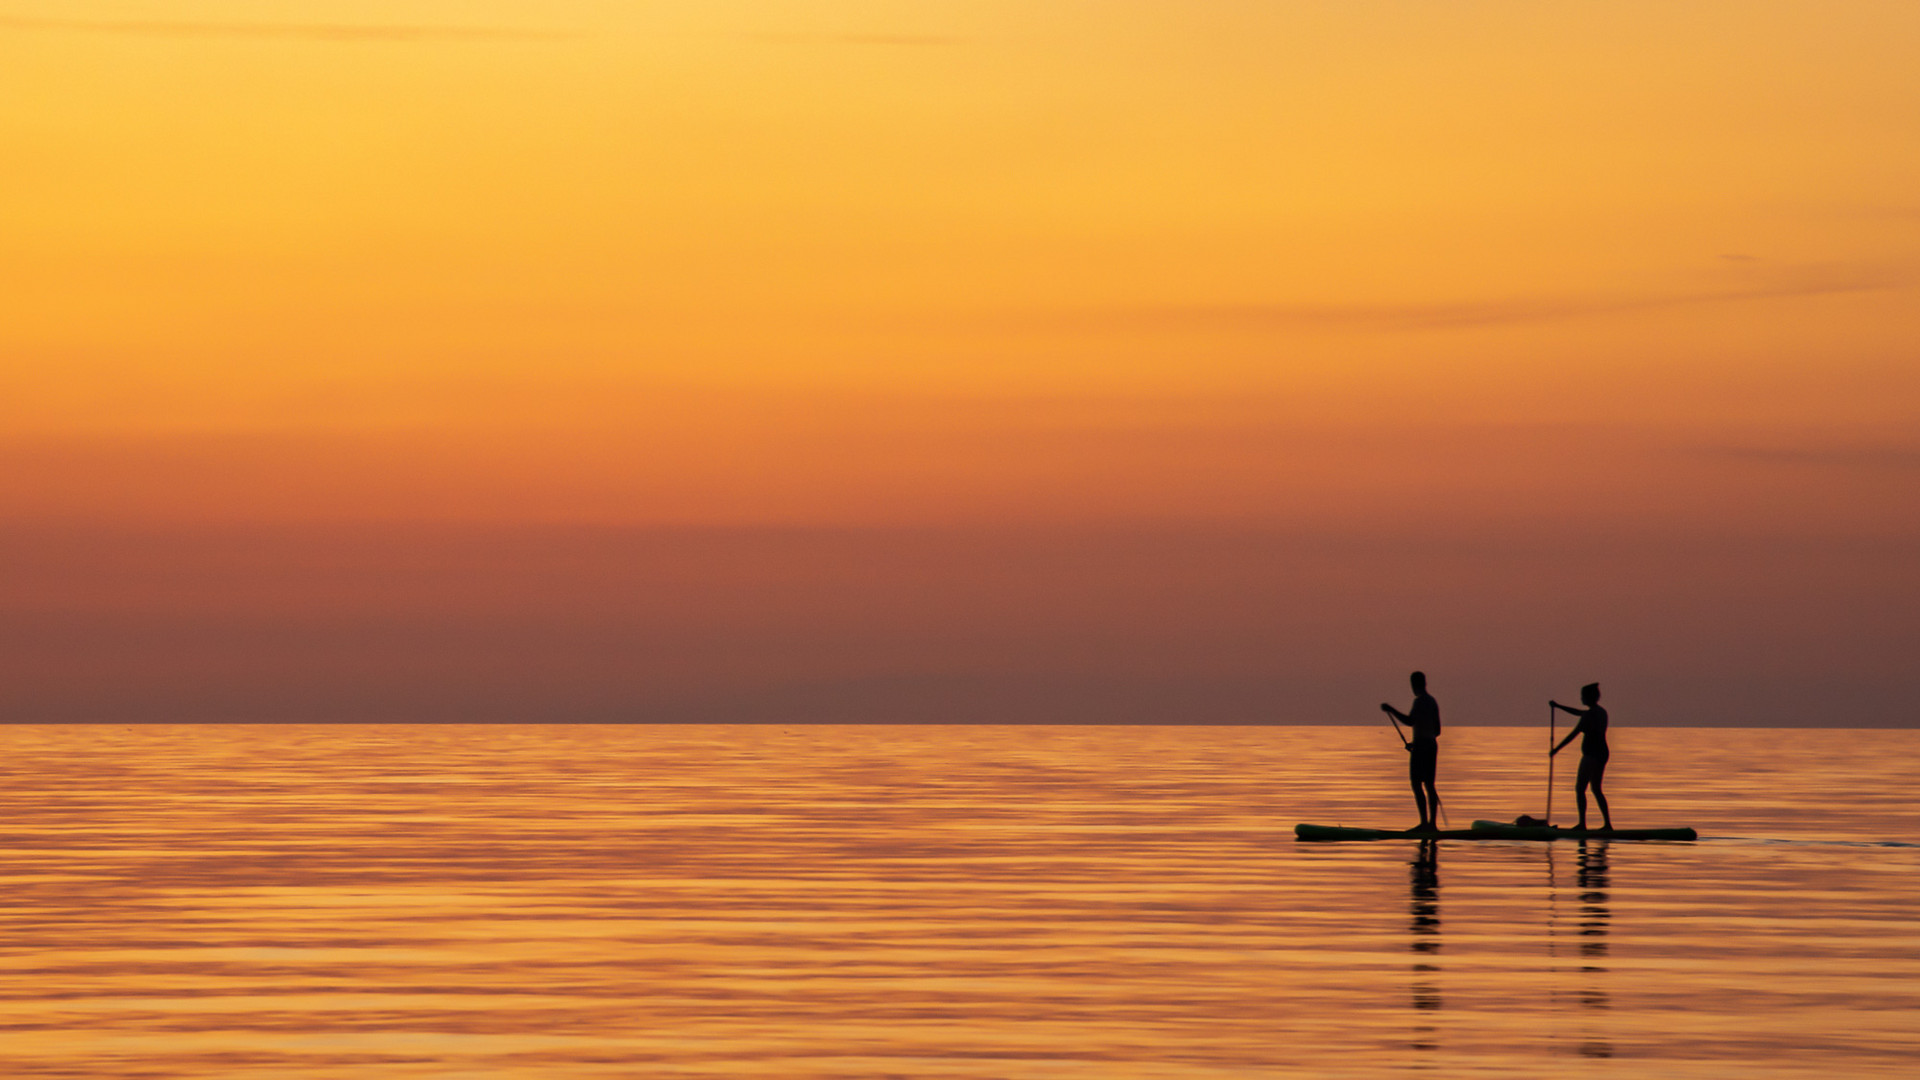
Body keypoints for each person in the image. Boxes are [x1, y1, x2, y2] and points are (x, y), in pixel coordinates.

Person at [1382, 671, 1442, 831]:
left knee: (1416, 784)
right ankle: (1432, 825)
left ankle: (1424, 824)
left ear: (1414, 685)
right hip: (1431, 745)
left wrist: (1390, 709)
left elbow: (1410, 721)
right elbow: (1437, 731)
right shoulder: (1432, 702)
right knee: (1429, 785)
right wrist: (1417, 742)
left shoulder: (1419, 701)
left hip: (1422, 747)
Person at [1550, 682, 1613, 831]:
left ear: (1588, 697)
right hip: (1603, 752)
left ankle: (1582, 825)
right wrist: (1559, 706)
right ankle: (1607, 825)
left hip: (1592, 754)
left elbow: (1574, 733)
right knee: (1596, 789)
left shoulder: (1589, 715)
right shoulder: (1601, 712)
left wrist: (1556, 749)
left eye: (1582, 696)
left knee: (1580, 789)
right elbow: (1578, 712)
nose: (1581, 699)